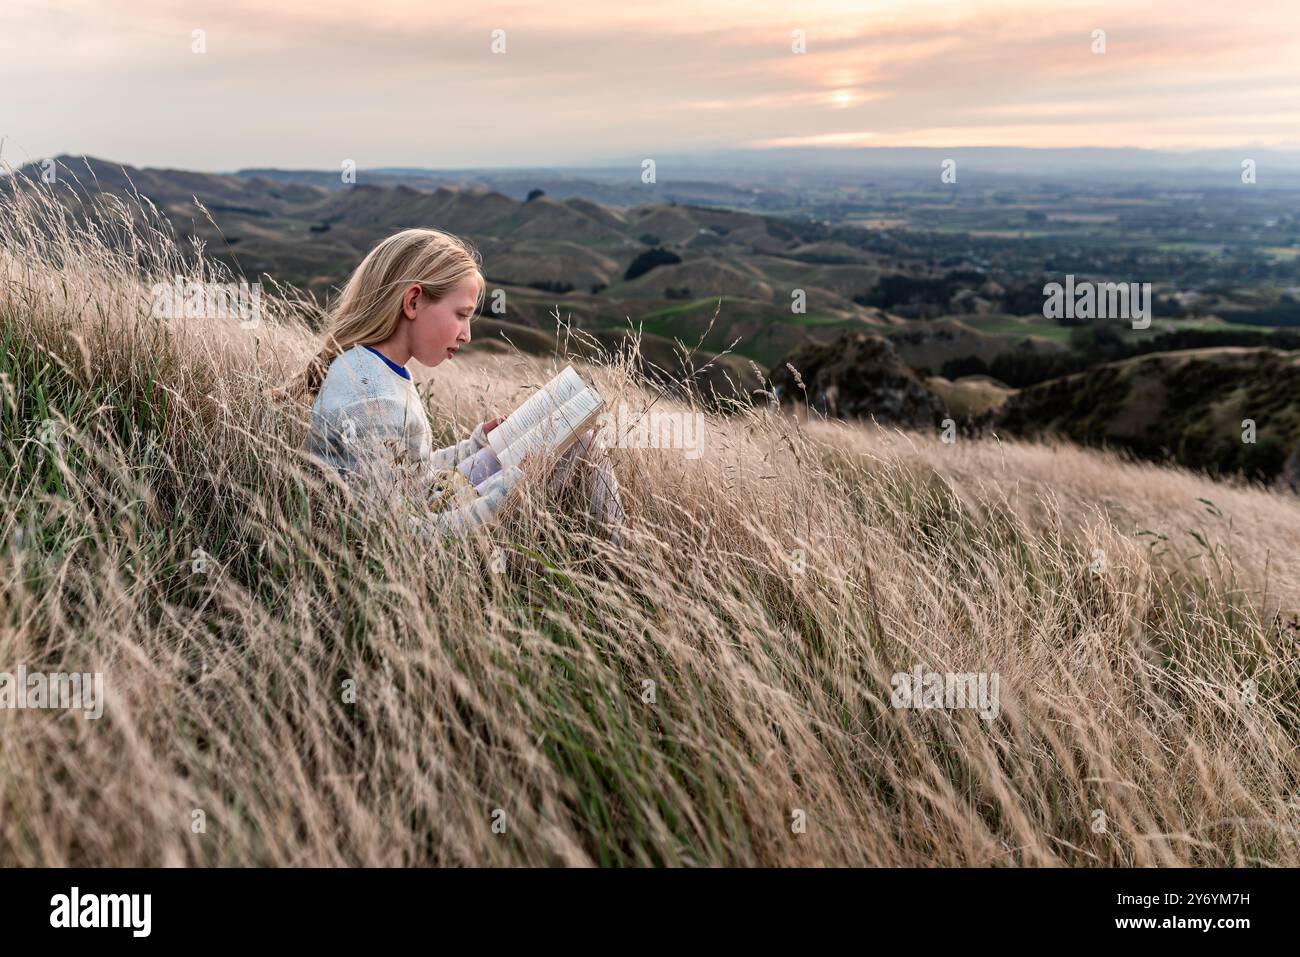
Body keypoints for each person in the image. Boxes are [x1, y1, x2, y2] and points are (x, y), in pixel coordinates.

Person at [274, 227, 625, 541]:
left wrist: (473, 447)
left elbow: (410, 474)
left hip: (435, 500)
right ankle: (625, 562)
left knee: (576, 437)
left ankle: (621, 555)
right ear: (413, 301)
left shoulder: (373, 367)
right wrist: (510, 487)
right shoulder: (372, 400)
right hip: (431, 537)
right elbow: (397, 534)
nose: (467, 334)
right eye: (461, 315)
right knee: (582, 443)